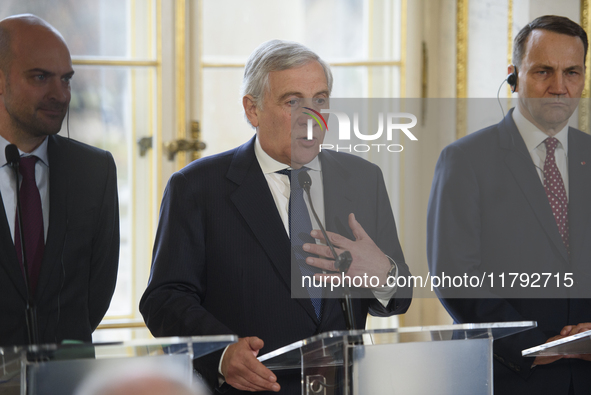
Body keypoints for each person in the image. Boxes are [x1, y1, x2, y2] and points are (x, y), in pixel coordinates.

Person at [140, 39, 411, 394]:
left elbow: (398, 296)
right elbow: (165, 298)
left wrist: (383, 273)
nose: (311, 116)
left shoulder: (362, 178)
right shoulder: (196, 187)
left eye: (320, 100)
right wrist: (220, 353)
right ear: (252, 110)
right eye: (292, 101)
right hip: (250, 387)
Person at [427, 15, 591, 394]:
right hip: (505, 375)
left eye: (573, 72)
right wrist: (530, 346)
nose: (559, 88)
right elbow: (455, 275)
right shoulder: (465, 159)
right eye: (543, 72)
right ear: (514, 75)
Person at [0, 14, 119, 346]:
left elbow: (97, 292)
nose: (60, 94)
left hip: (65, 375)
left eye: (65, 79)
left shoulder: (95, 170)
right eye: (40, 77)